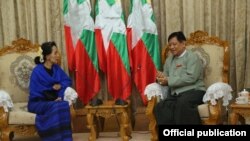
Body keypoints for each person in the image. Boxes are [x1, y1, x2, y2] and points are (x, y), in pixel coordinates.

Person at [154, 31, 206, 125]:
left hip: (195, 91)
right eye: (170, 45)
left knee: (182, 104)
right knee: (160, 106)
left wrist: (168, 80)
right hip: (176, 94)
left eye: (174, 44)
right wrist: (161, 78)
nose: (172, 47)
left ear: (183, 44)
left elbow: (191, 77)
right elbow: (166, 77)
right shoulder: (169, 59)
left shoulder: (192, 57)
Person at [28, 41, 73, 141]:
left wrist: (60, 86)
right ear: (48, 56)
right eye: (55, 53)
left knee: (64, 104)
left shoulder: (56, 68)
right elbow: (35, 92)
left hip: (55, 100)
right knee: (56, 106)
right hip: (38, 102)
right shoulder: (37, 71)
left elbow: (67, 81)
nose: (58, 55)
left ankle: (65, 139)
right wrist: (52, 95)